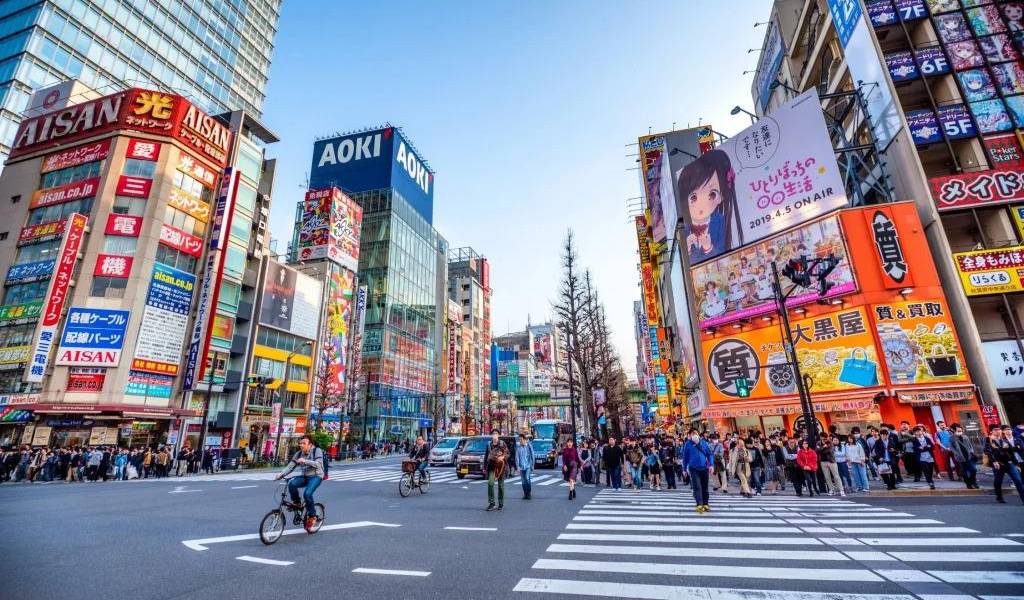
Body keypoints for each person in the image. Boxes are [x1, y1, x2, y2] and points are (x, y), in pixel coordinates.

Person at [275, 434, 325, 530]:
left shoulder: (316, 451)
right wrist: (281, 474)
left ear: (310, 445)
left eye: (304, 443)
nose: (301, 445)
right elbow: (290, 466)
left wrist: (305, 461)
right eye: (300, 443)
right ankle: (297, 503)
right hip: (305, 476)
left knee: (307, 494)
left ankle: (312, 516)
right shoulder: (298, 454)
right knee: (291, 484)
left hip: (316, 476)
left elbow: (319, 464)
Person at [985, 426, 1024, 504]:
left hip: (1009, 463)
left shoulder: (1004, 440)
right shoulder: (988, 440)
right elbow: (988, 451)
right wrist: (994, 461)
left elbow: (1011, 453)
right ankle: (999, 496)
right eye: (995, 430)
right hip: (999, 464)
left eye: (999, 429)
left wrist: (1016, 464)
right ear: (991, 432)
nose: (998, 431)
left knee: (1018, 480)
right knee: (998, 482)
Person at [682, 430, 713, 512]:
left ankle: (706, 503)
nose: (694, 435)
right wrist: (684, 469)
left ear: (699, 434)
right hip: (693, 468)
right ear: (690, 436)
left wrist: (711, 465)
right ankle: (699, 504)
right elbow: (685, 458)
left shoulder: (704, 443)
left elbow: (709, 454)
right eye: (692, 434)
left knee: (705, 486)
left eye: (696, 433)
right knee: (697, 486)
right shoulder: (688, 444)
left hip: (704, 467)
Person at [483, 430, 509, 511]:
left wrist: (503, 457)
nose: (494, 435)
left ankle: (500, 503)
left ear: (498, 435)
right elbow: (486, 456)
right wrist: (484, 467)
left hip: (501, 466)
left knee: (501, 486)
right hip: (491, 466)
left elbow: (508, 453)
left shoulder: (502, 443)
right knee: (490, 483)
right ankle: (492, 503)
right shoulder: (489, 445)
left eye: (496, 434)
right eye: (493, 434)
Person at [948, 423, 979, 489]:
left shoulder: (965, 437)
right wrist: (957, 454)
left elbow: (970, 445)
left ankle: (972, 481)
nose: (960, 431)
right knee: (964, 472)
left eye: (960, 430)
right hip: (960, 457)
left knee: (973, 469)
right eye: (958, 430)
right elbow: (951, 447)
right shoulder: (952, 438)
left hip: (968, 456)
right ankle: (968, 484)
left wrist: (971, 452)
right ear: (954, 430)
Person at [515, 434, 535, 499]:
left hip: (528, 465)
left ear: (525, 440)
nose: (520, 441)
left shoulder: (529, 446)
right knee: (523, 481)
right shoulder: (518, 447)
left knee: (527, 478)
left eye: (521, 439)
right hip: (521, 466)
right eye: (519, 440)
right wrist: (517, 467)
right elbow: (517, 457)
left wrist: (532, 465)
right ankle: (525, 494)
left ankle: (529, 493)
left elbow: (532, 455)